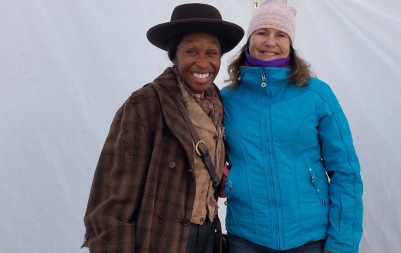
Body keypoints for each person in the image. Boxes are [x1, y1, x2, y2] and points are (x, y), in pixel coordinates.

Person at [82, 3, 244, 253]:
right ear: (173, 55)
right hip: (161, 240)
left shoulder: (219, 104)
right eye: (192, 51)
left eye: (211, 53)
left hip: (207, 237)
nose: (203, 63)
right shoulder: (145, 105)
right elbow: (110, 204)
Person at [220, 0, 363, 253]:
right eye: (262, 32)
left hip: (310, 238)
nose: (270, 42)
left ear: (291, 43)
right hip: (246, 236)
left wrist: (342, 242)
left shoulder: (316, 95)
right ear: (249, 40)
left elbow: (346, 171)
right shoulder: (227, 99)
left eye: (280, 34)